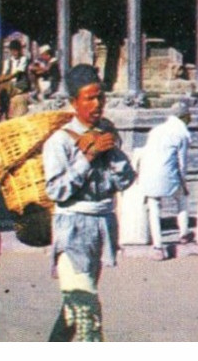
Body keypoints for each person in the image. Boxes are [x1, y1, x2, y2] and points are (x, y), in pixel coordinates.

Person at [43, 65, 134, 341]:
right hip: (73, 228)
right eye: (89, 98)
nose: (97, 105)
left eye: (101, 98)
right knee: (86, 313)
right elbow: (56, 190)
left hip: (101, 227)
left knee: (74, 310)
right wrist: (87, 159)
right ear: (74, 103)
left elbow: (126, 180)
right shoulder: (59, 142)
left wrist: (112, 153)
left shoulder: (107, 134)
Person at [139, 98, 193, 259]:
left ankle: (158, 246)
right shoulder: (181, 134)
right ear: (184, 117)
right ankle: (183, 233)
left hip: (148, 174)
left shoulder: (156, 130)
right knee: (182, 198)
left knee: (154, 208)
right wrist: (183, 181)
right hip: (168, 174)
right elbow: (182, 162)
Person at [0, 40, 30, 121]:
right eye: (13, 51)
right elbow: (4, 74)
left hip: (18, 86)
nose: (15, 53)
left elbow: (16, 74)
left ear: (19, 50)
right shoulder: (8, 61)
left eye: (16, 51)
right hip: (9, 85)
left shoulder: (23, 59)